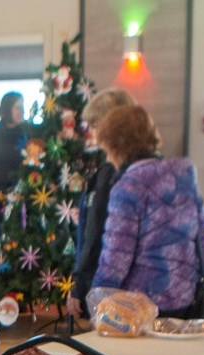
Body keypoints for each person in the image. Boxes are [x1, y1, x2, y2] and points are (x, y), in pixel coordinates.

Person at [93, 105, 204, 355]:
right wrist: (194, 276)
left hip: (141, 303)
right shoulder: (183, 174)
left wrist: (98, 298)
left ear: (117, 145)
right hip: (182, 296)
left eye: (106, 149)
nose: (107, 157)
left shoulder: (128, 187)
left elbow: (116, 254)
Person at [66, 87, 137, 320]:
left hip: (107, 285)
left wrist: (79, 286)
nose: (91, 133)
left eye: (95, 126)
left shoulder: (110, 172)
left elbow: (96, 233)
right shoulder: (138, 167)